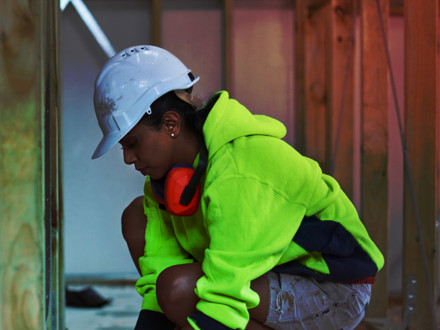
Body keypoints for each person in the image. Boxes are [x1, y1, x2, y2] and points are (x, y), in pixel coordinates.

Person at [91, 45, 384, 330]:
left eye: (132, 143)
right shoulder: (162, 182)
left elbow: (224, 295)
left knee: (180, 290)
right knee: (136, 218)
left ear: (170, 124)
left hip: (335, 287)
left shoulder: (239, 169)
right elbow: (159, 277)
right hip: (269, 271)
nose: (128, 158)